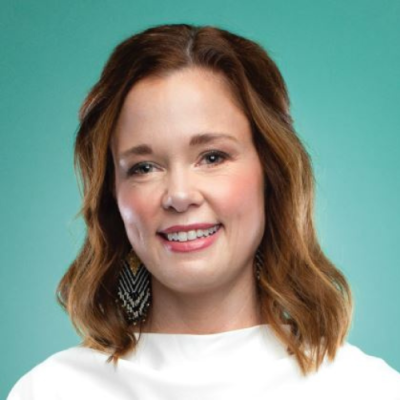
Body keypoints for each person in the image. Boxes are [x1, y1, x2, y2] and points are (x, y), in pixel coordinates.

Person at [7, 23, 400, 400]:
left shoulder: (365, 390)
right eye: (143, 167)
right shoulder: (50, 392)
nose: (179, 194)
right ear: (115, 197)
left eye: (212, 157)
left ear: (271, 172)